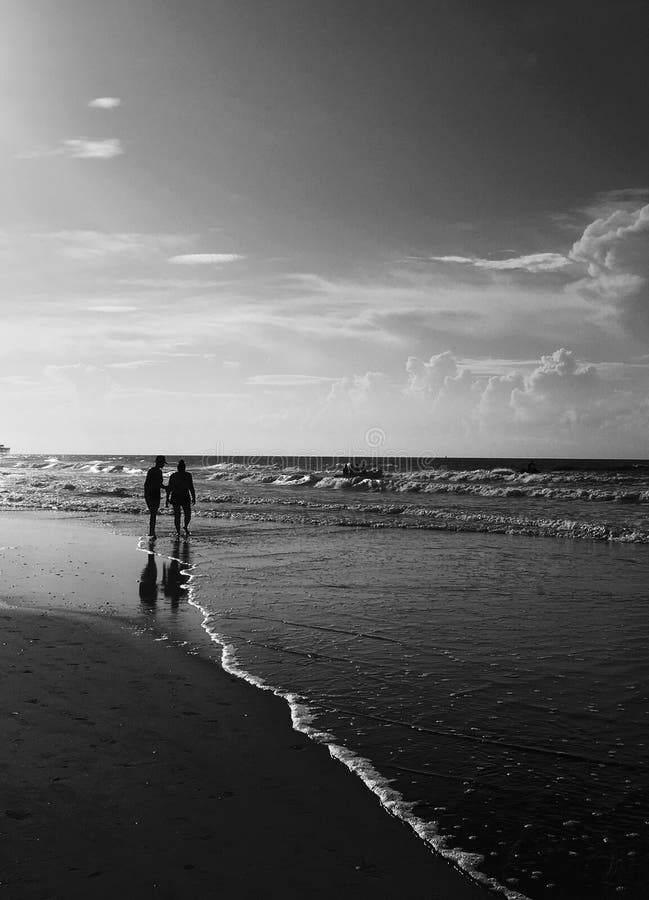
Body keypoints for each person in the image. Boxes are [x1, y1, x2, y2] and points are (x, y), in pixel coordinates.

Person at [166, 459, 196, 537]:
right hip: (182, 497)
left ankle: (181, 529)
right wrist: (193, 497)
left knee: (178, 515)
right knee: (186, 514)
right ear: (183, 467)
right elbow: (191, 487)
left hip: (178, 497)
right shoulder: (186, 475)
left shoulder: (176, 475)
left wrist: (167, 498)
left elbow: (170, 488)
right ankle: (182, 529)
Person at [144, 455, 166, 539]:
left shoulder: (153, 471)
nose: (163, 465)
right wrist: (167, 487)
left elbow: (147, 484)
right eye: (163, 463)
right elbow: (158, 484)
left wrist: (146, 494)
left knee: (153, 513)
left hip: (152, 494)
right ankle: (151, 532)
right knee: (153, 513)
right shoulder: (156, 471)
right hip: (154, 494)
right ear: (159, 462)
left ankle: (152, 532)